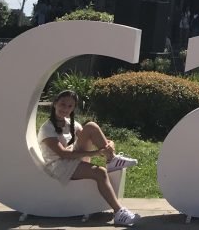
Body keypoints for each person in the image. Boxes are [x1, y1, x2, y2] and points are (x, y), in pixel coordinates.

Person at [38, 90, 140, 226]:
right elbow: (62, 154)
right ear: (55, 103)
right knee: (100, 172)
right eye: (62, 104)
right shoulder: (47, 128)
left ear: (73, 108)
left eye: (70, 106)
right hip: (60, 165)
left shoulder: (71, 123)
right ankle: (119, 212)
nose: (65, 109)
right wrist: (95, 153)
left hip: (73, 159)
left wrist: (110, 145)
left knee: (91, 126)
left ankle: (112, 159)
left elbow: (93, 136)